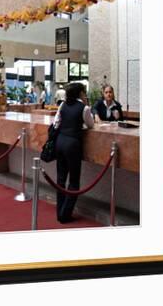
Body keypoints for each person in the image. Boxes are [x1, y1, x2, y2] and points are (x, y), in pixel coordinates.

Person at [53, 82, 94, 223]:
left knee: (60, 179)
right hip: (73, 145)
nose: (85, 94)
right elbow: (91, 125)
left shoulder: (62, 105)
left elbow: (56, 123)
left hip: (60, 142)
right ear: (80, 93)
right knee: (74, 181)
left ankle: (59, 212)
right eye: (83, 91)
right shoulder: (84, 108)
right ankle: (65, 215)